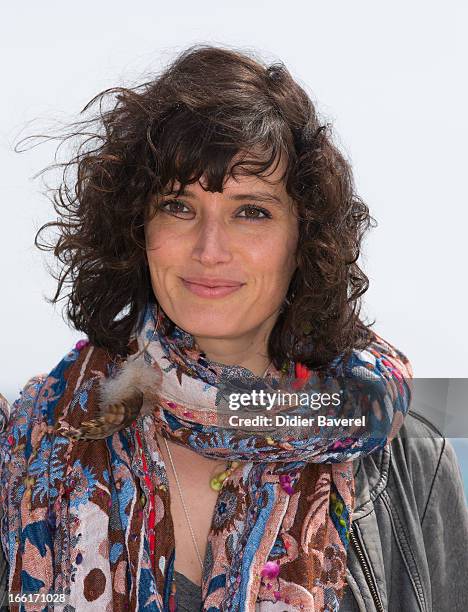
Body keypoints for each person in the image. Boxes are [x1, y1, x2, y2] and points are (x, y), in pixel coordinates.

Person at [0, 44, 467, 612]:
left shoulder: (409, 458)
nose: (209, 250)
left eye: (252, 211)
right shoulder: (31, 445)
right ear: (137, 225)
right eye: (178, 205)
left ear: (305, 239)